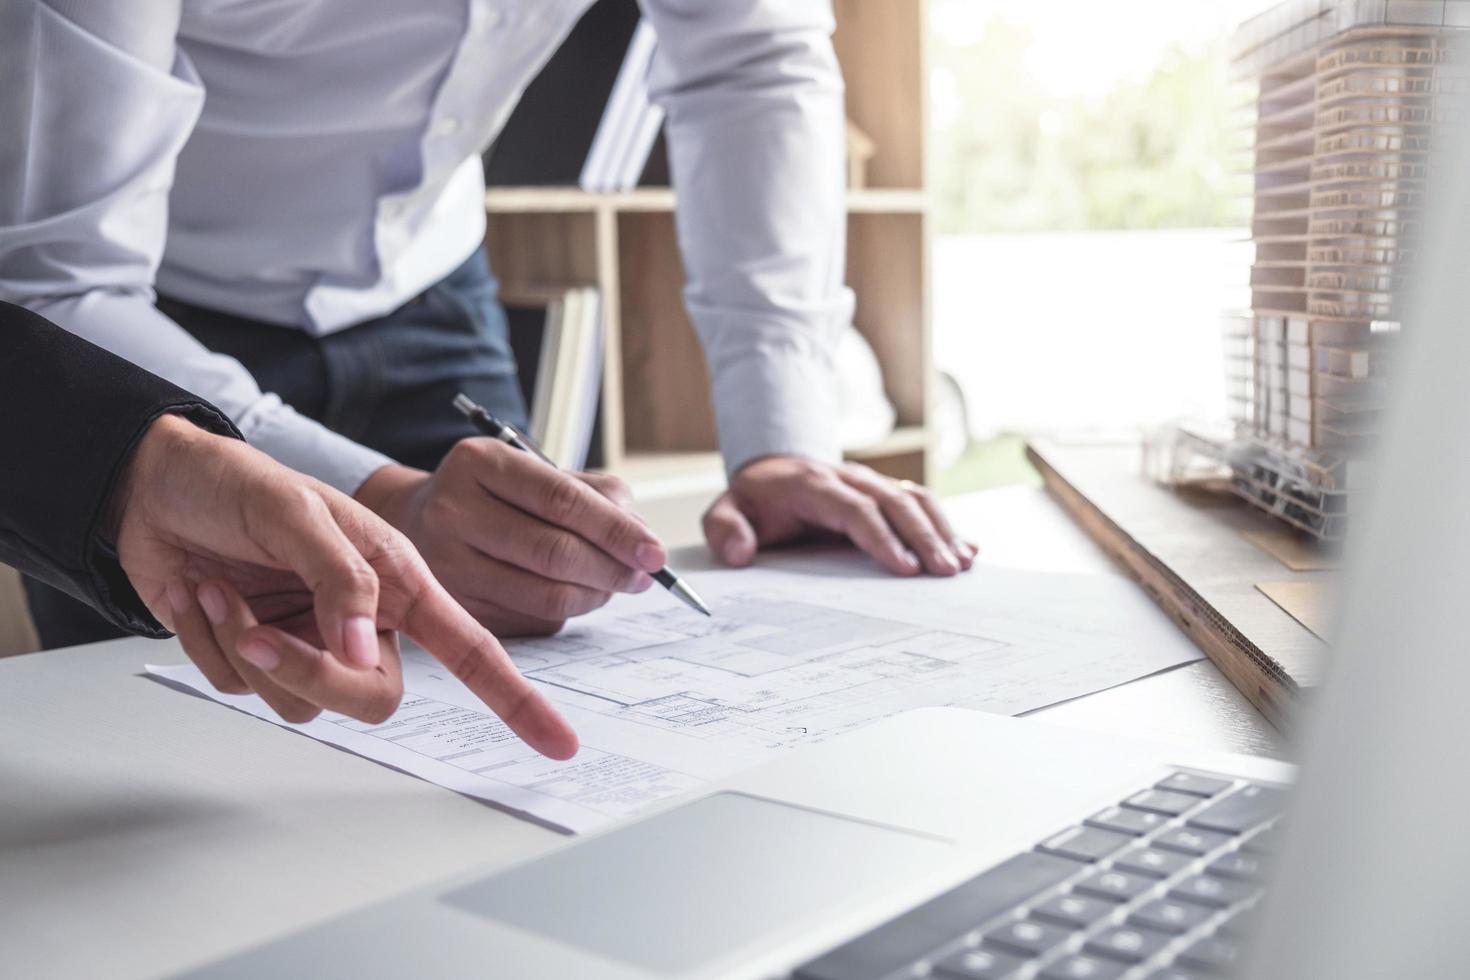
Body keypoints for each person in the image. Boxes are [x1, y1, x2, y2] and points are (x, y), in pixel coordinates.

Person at [0, 1, 974, 650]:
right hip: (127, 332)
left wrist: (781, 441)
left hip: (435, 276)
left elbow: (753, 60)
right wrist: (379, 497)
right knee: (169, 775)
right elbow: (55, 271)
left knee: (523, 687)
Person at [0, 302, 577, 759]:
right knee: (125, 732)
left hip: (440, 295)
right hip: (163, 329)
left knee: (514, 592)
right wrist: (140, 471)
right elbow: (61, 271)